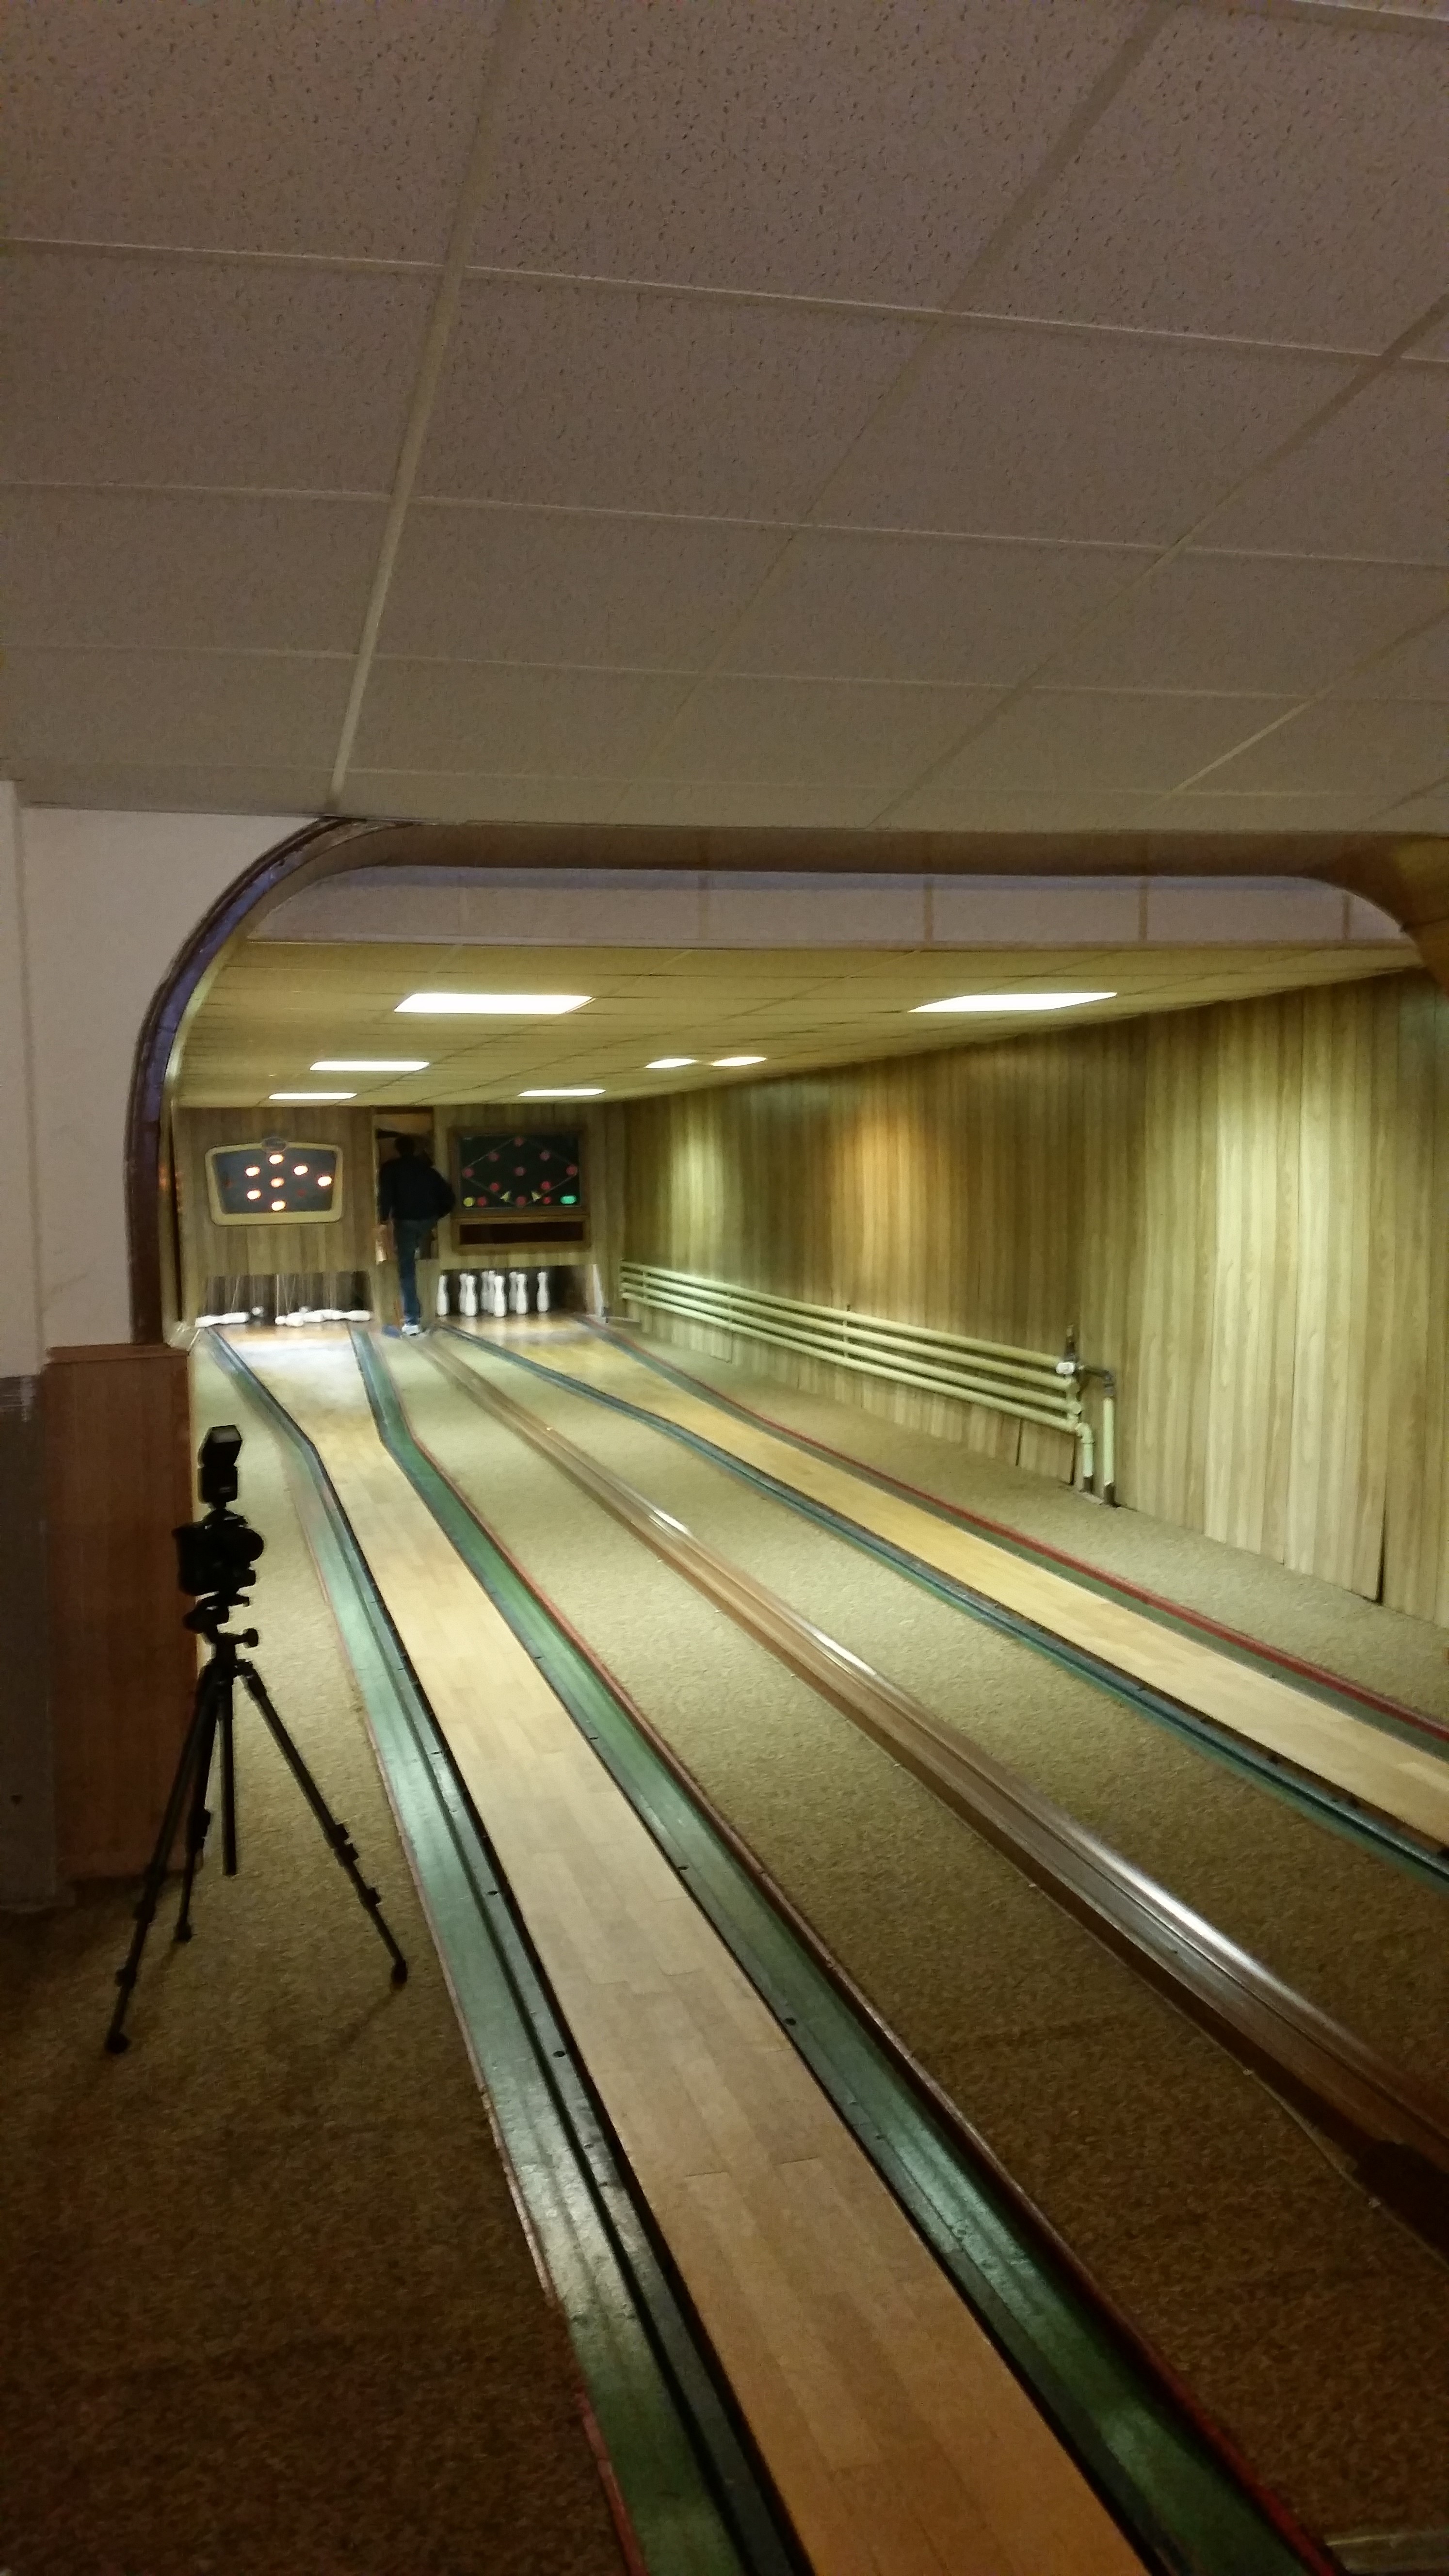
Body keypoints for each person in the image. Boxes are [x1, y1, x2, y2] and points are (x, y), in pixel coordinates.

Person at [377, 1134, 454, 1335]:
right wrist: (436, 1215)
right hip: (428, 1220)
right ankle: (424, 1251)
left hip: (406, 1222)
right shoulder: (429, 1171)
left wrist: (383, 1220)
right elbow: (449, 1198)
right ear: (415, 1149)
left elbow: (386, 1196)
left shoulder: (390, 1168)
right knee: (425, 1252)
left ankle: (412, 1320)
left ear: (397, 1150)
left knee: (407, 1268)